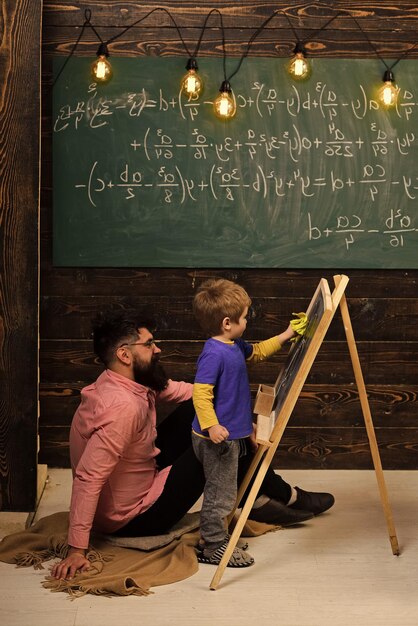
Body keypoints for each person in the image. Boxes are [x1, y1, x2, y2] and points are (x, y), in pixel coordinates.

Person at [52, 307, 334, 580]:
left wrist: (228, 409)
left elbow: (189, 393)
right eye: (149, 344)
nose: (157, 349)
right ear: (125, 354)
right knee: (219, 443)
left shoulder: (123, 379)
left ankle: (263, 496)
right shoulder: (121, 409)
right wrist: (77, 548)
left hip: (138, 474)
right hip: (134, 517)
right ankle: (279, 496)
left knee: (207, 411)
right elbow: (88, 477)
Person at [191, 278, 333, 567]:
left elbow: (256, 351)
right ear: (227, 322)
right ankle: (213, 546)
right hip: (217, 439)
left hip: (231, 436)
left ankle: (215, 536)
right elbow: (200, 394)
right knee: (220, 494)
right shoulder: (213, 354)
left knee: (228, 491)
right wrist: (212, 426)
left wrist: (287, 334)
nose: (247, 321)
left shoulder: (232, 345)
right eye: (244, 317)